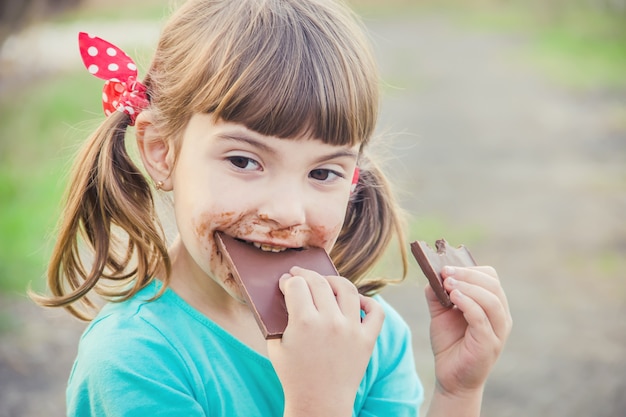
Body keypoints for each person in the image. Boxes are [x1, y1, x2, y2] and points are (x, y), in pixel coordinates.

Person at [33, 0, 512, 415]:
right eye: (244, 160)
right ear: (162, 151)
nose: (288, 212)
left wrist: (457, 392)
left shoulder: (371, 337)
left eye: (322, 172)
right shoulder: (135, 361)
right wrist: (317, 402)